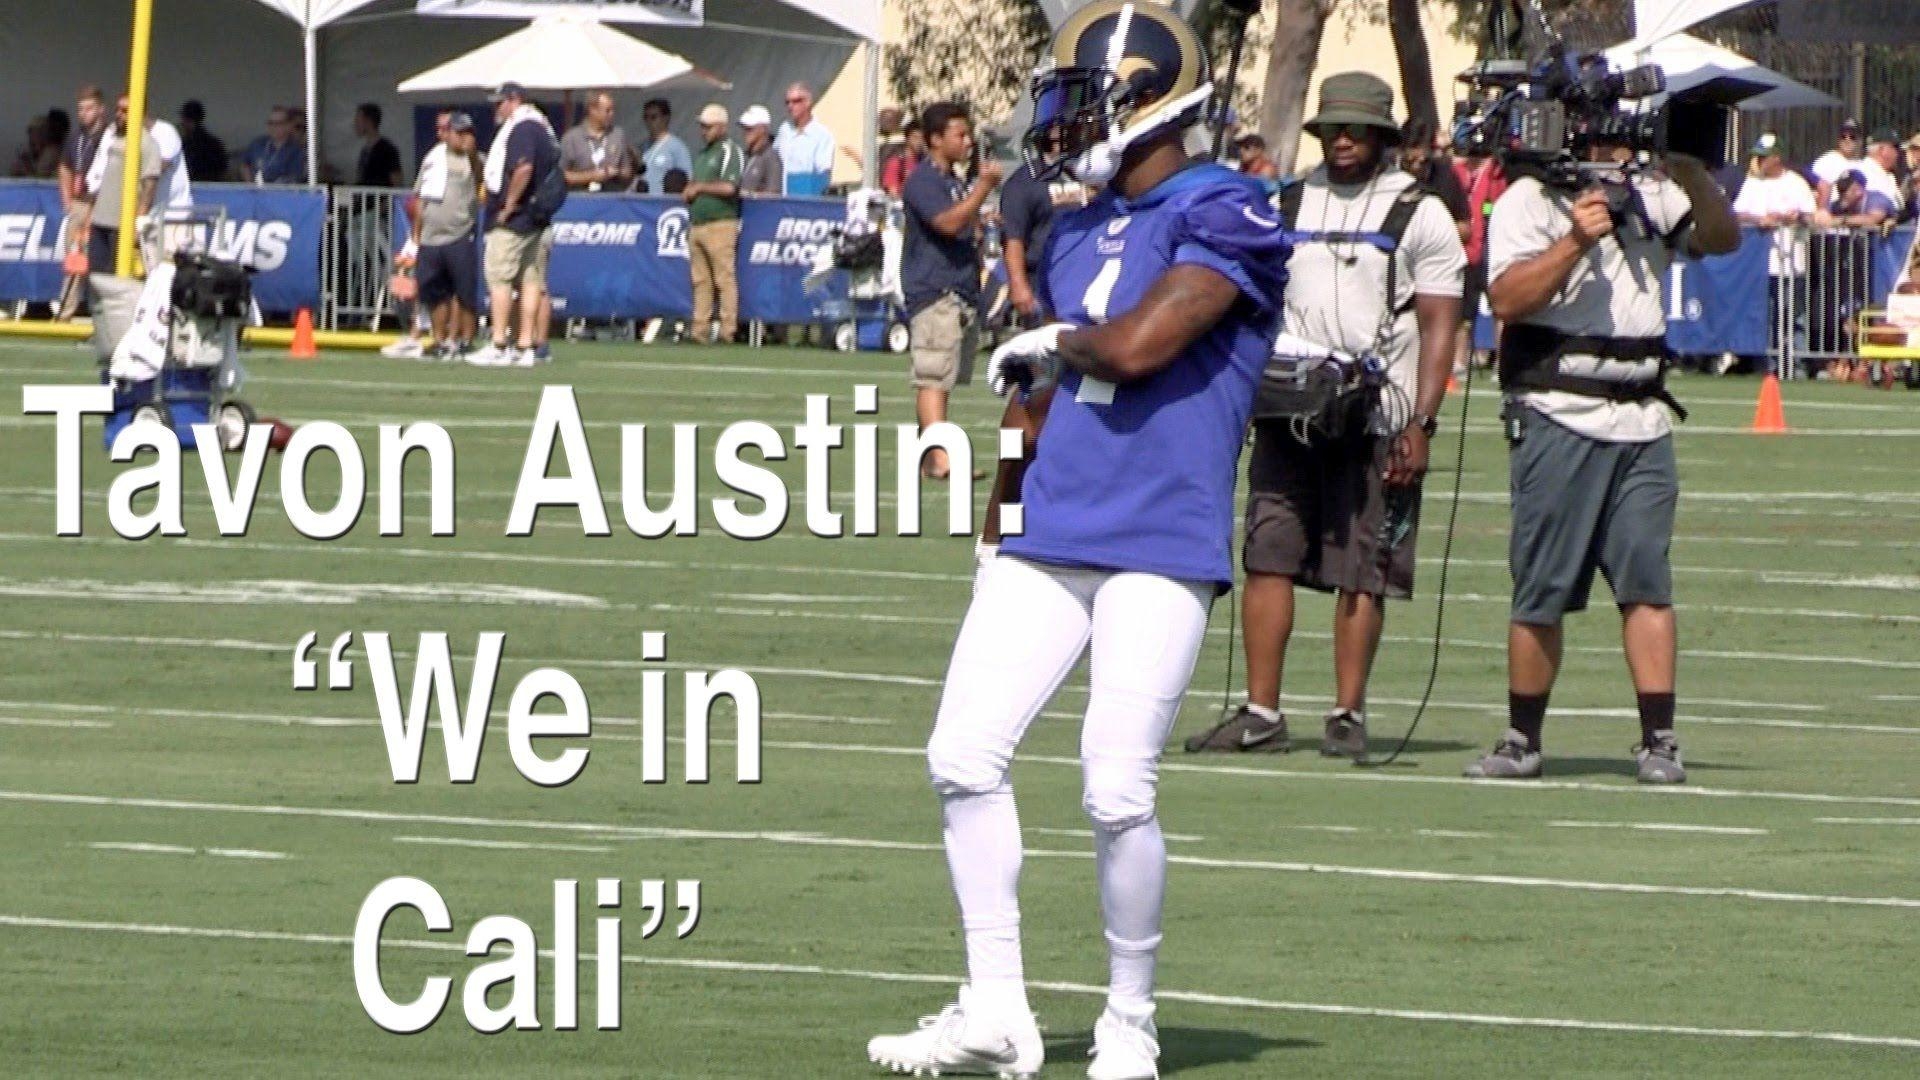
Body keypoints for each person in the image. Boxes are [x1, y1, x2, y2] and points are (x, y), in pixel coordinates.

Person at [863, 8, 1290, 1079]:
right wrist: (999, 523)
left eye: (1081, 98)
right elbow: (1031, 402)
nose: (1061, 123)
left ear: (1150, 101)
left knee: (1115, 786)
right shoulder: (1077, 225)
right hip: (1048, 528)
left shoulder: (1230, 207)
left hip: (1159, 536)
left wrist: (1053, 340)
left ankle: (1129, 1019)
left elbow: (1144, 345)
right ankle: (996, 1006)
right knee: (961, 754)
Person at [1183, 72, 1464, 758]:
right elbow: (1249, 303)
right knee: (1267, 555)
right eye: (1332, 127)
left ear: (1382, 137)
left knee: (1361, 568)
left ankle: (1347, 713)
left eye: (1357, 129)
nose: (1342, 140)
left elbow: (1439, 326)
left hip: (1380, 416)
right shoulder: (1285, 204)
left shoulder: (1419, 212)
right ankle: (1260, 711)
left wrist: (1420, 425)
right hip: (1288, 408)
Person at [1464, 131, 1740, 784]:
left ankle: (1660, 738)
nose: (1622, 153)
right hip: (1559, 410)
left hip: (1642, 416)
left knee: (1647, 579)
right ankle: (1522, 737)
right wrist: (1576, 240)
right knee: (1543, 586)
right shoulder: (1531, 200)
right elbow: (1506, 298)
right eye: (1609, 140)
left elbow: (1724, 239)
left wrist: (1695, 176)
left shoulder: (1654, 193)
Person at [900, 101, 1000, 481]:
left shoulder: (952, 180)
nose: (968, 140)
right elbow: (945, 222)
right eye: (959, 134)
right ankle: (940, 457)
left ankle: (931, 454)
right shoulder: (924, 180)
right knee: (932, 375)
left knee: (943, 377)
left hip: (958, 289)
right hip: (934, 289)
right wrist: (982, 191)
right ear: (935, 140)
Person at [474, 83, 560, 368]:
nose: (495, 109)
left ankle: (499, 342)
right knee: (531, 281)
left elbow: (523, 168)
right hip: (537, 219)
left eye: (500, 103)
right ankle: (525, 345)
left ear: (514, 101)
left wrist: (508, 205)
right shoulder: (542, 127)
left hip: (517, 219)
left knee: (499, 279)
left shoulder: (523, 128)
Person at [1731, 133, 1814, 376]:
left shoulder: (1796, 182)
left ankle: (1796, 365)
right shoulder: (1752, 183)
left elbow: (1811, 214)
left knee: (1794, 315)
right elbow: (1738, 213)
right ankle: (1768, 366)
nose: (1759, 161)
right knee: (1766, 316)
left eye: (1763, 157)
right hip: (1761, 263)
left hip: (1791, 262)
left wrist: (1795, 217)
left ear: (1776, 158)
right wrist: (1760, 219)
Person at [408, 111, 482, 360]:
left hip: (459, 233)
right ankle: (439, 340)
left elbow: (480, 176)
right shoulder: (433, 158)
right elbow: (420, 197)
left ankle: (463, 340)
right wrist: (416, 234)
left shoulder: (473, 160)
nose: (461, 138)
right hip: (431, 236)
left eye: (466, 133)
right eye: (457, 133)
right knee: (434, 292)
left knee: (464, 291)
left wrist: (471, 152)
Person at [684, 103, 745, 345]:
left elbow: (730, 187)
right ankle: (700, 329)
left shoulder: (730, 150)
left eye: (708, 127)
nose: (703, 131)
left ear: (721, 127)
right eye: (702, 126)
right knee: (701, 281)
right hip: (698, 223)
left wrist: (699, 188)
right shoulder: (702, 154)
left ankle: (727, 330)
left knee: (724, 279)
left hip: (721, 223)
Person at [86, 95, 164, 278]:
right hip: (100, 220)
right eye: (117, 110)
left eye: (125, 111)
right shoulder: (113, 138)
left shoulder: (147, 144)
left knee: (116, 278)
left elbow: (149, 186)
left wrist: (138, 222)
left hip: (122, 224)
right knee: (95, 276)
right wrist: (92, 213)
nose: (119, 115)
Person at [55, 85, 108, 319]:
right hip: (79, 202)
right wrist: (66, 198)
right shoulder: (76, 137)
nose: (84, 113)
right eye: (80, 109)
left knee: (98, 261)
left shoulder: (108, 136)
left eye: (89, 108)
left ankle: (101, 314)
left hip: (101, 204)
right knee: (73, 259)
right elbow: (65, 166)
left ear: (100, 110)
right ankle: (66, 312)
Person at [560, 90, 637, 193]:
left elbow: (627, 171)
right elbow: (561, 176)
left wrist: (615, 172)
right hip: (582, 200)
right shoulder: (572, 138)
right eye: (607, 110)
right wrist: (592, 176)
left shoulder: (617, 135)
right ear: (593, 110)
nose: (612, 114)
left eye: (613, 110)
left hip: (612, 199)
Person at [775, 82, 835, 196]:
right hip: (783, 198)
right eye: (787, 102)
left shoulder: (822, 135)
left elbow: (823, 174)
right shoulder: (784, 129)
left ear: (808, 103)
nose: (790, 106)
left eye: (796, 101)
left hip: (806, 197)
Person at [638, 98, 691, 195]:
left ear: (666, 118)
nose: (649, 121)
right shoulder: (642, 147)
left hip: (663, 203)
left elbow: (687, 178)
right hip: (643, 202)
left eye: (653, 117)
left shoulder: (676, 147)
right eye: (646, 117)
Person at [241, 106, 306, 184]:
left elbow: (293, 177)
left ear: (288, 125)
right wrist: (250, 184)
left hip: (281, 193)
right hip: (255, 192)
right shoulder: (258, 143)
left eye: (278, 123)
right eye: (270, 123)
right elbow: (245, 164)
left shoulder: (296, 150)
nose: (273, 127)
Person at [353, 103, 403, 187]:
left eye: (358, 120)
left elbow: (396, 180)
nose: (355, 124)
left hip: (381, 198)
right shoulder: (365, 150)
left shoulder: (387, 150)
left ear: (368, 121)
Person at [736, 105, 783, 196]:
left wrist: (746, 194)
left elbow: (773, 195)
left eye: (749, 128)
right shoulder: (745, 156)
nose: (745, 132)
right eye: (744, 128)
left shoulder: (771, 157)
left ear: (762, 129)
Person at [177, 100, 227, 184]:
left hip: (192, 185)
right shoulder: (214, 143)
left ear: (187, 120)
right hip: (211, 187)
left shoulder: (186, 144)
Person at [881, 121, 923, 198]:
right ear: (907, 138)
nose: (919, 142)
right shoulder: (897, 163)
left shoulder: (925, 162)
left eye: (922, 138)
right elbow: (893, 194)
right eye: (915, 137)